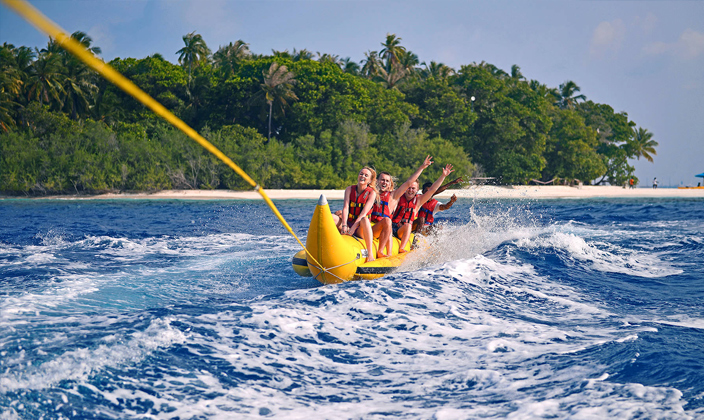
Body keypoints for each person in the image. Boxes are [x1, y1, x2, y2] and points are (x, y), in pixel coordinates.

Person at [370, 156, 435, 257]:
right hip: (373, 225)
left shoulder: (393, 196)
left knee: (392, 223)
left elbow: (410, 182)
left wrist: (422, 167)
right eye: (382, 180)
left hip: (391, 227)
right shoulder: (371, 193)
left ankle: (393, 251)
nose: (384, 182)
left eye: (387, 181)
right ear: (377, 181)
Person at [392, 164, 455, 252]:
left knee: (419, 221)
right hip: (394, 226)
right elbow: (408, 182)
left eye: (413, 188)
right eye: (409, 188)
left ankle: (416, 243)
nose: (410, 190)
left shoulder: (418, 201)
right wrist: (421, 167)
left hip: (408, 227)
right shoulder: (398, 197)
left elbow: (433, 190)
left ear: (417, 190)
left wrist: (443, 176)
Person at [331, 167, 378, 262]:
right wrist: (344, 225)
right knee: (332, 217)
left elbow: (363, 213)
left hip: (361, 228)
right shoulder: (349, 189)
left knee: (364, 218)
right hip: (348, 224)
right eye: (361, 174)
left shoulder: (372, 193)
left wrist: (353, 228)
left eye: (366, 175)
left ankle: (370, 254)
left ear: (369, 180)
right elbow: (346, 208)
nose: (362, 176)